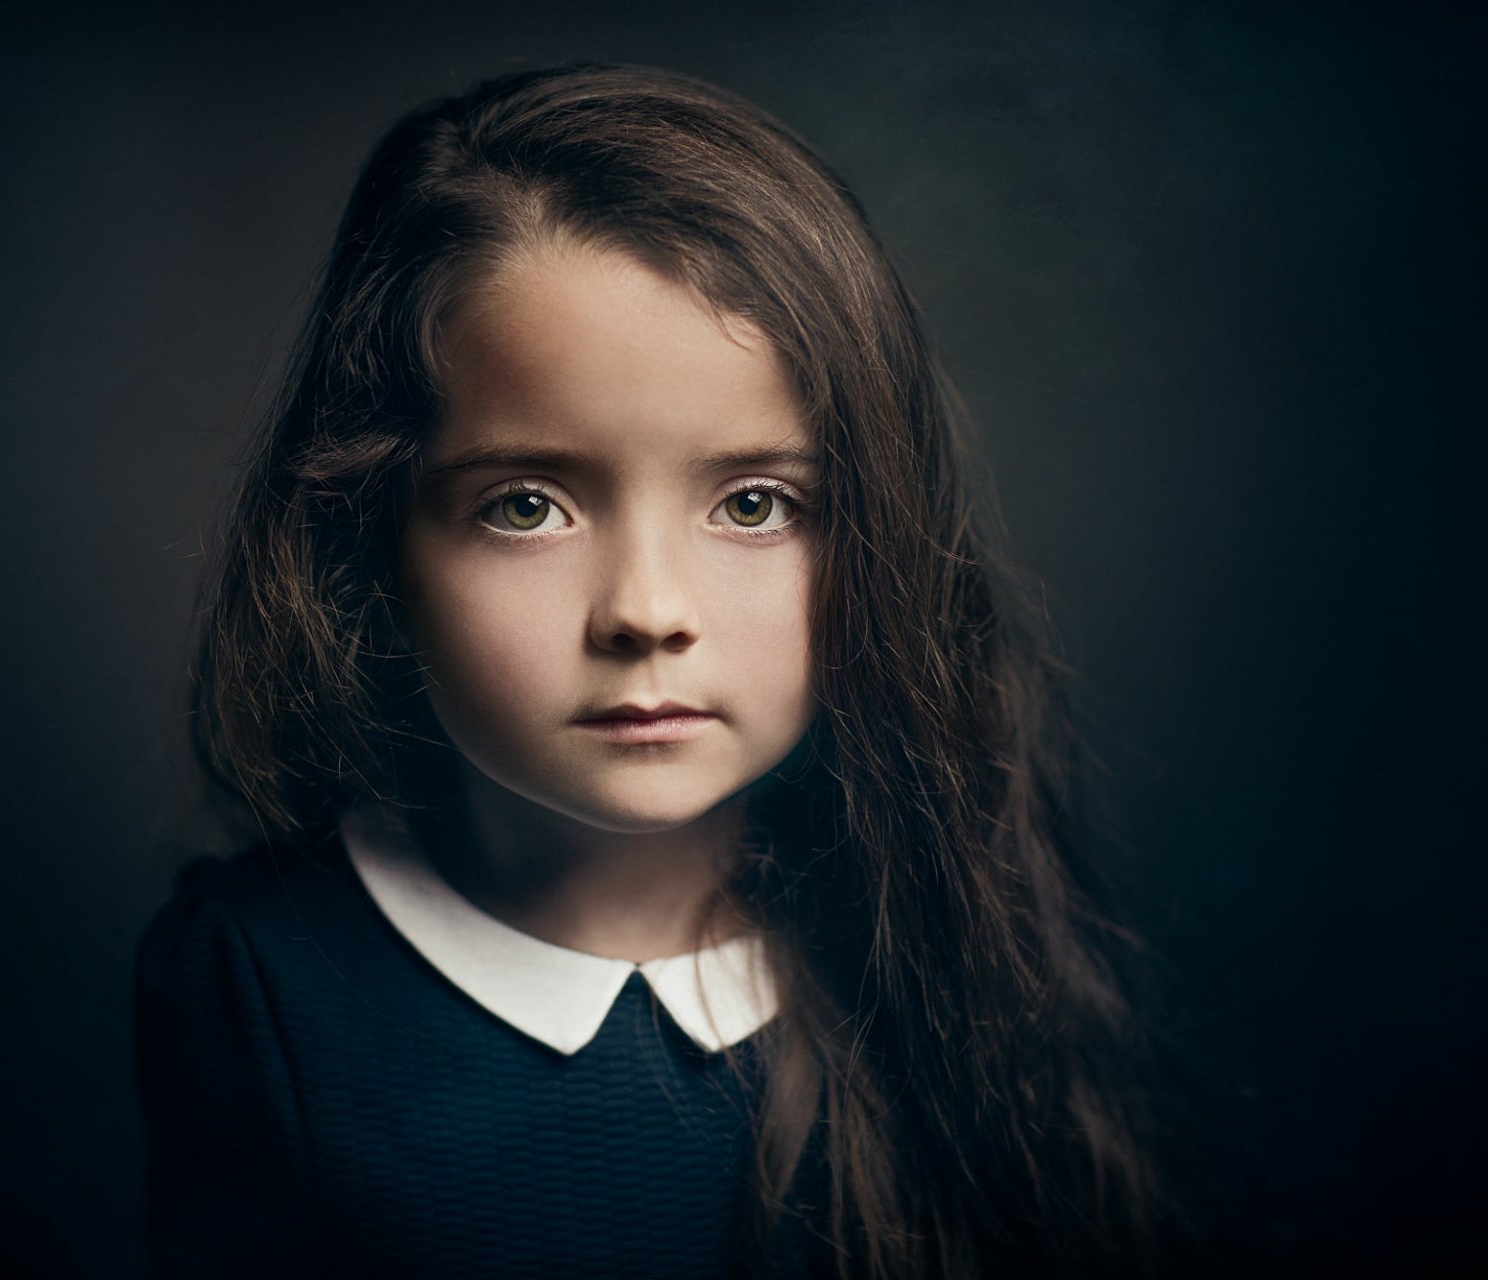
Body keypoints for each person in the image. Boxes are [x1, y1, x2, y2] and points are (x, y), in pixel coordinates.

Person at [135, 62, 1158, 1280]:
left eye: (756, 502)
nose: (648, 611)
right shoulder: (255, 980)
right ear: (375, 539)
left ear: (873, 535)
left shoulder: (941, 933)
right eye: (526, 504)